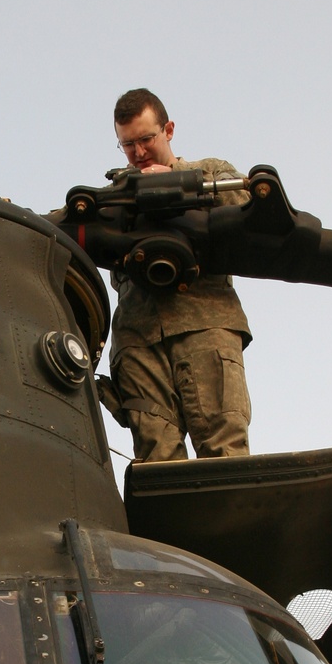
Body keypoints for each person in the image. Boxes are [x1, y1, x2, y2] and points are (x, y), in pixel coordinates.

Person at [107, 88, 252, 462]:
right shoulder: (114, 197)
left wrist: (174, 181)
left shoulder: (212, 173)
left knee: (224, 452)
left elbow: (249, 210)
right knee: (157, 460)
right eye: (127, 145)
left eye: (146, 139)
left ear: (168, 130)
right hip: (138, 340)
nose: (138, 153)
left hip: (205, 324)